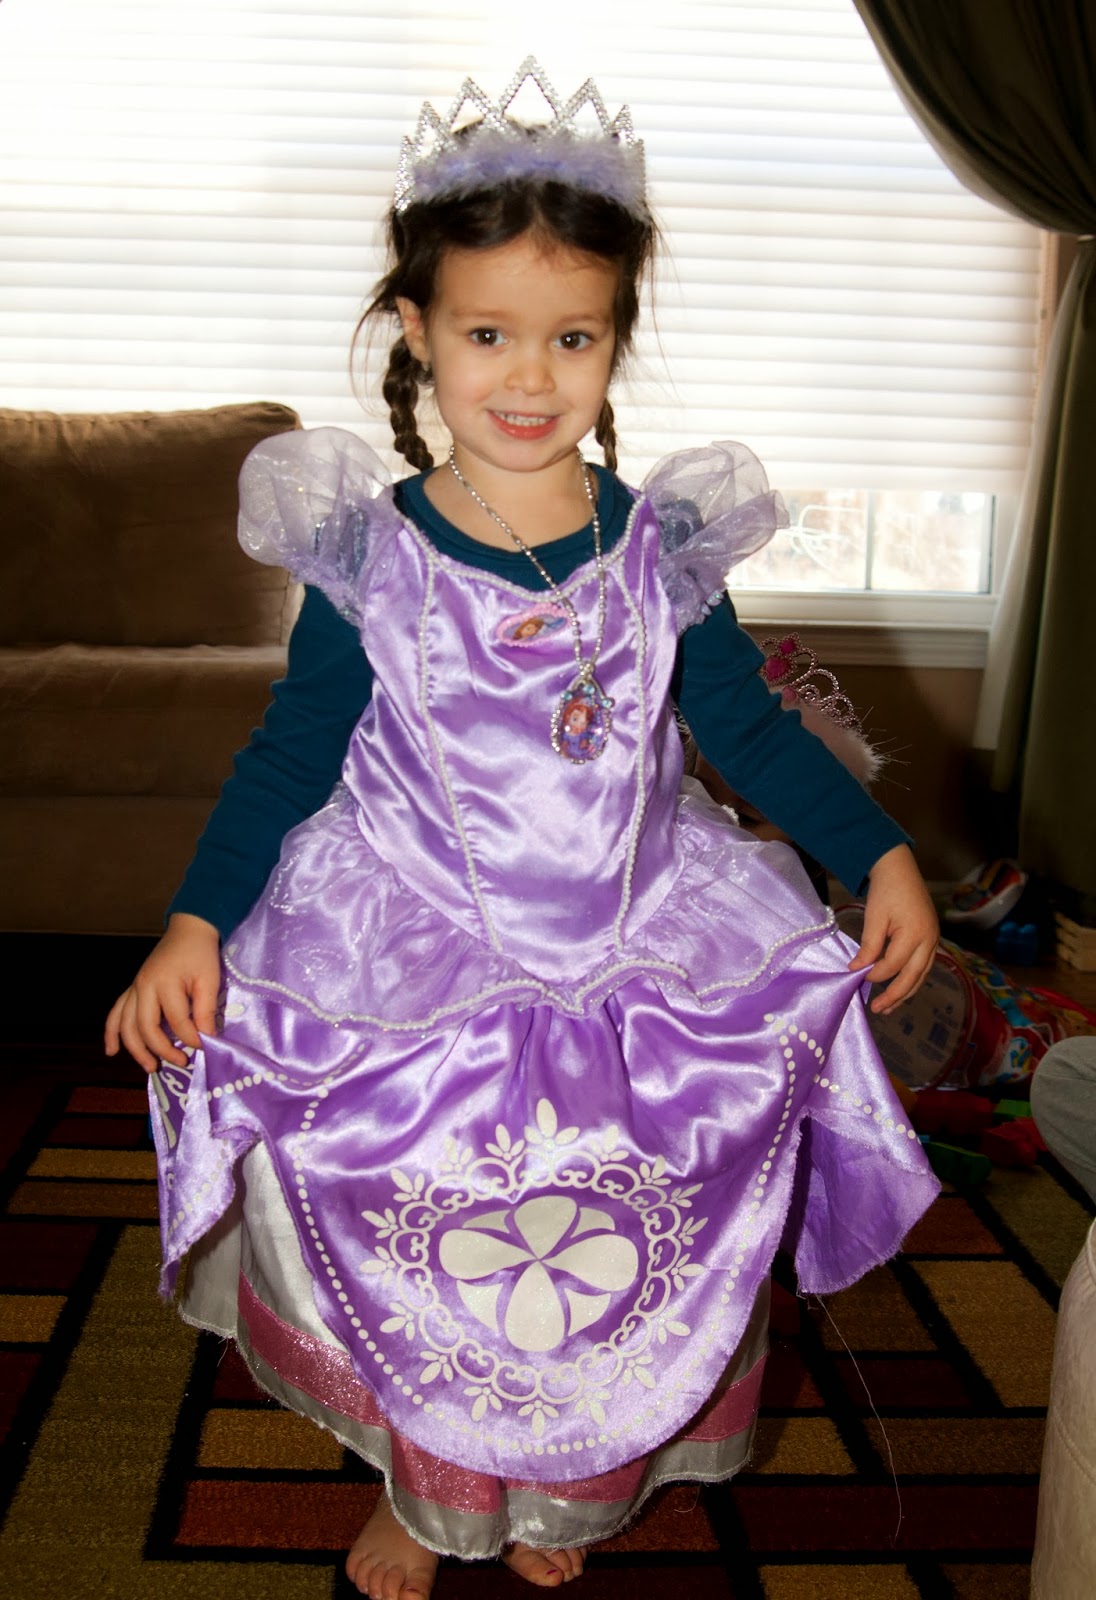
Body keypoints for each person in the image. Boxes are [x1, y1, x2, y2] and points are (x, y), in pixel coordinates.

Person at [105, 61, 940, 1600]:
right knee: (429, 1223)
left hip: (638, 940)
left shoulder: (661, 548)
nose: (531, 376)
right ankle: (432, 1495)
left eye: (574, 335)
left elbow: (748, 728)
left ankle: (553, 1493)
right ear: (416, 331)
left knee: (622, 1223)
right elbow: (290, 753)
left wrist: (879, 850)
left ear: (617, 338)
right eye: (488, 333)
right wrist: (195, 921)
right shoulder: (371, 559)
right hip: (413, 945)